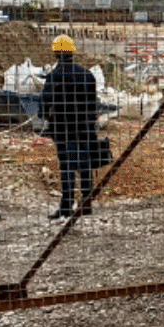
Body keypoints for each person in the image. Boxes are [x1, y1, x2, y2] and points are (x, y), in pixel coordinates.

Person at [41, 34, 107, 220]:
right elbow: (94, 104)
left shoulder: (54, 76)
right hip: (85, 128)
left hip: (64, 130)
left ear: (56, 54)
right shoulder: (87, 75)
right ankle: (86, 205)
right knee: (85, 166)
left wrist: (46, 117)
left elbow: (45, 103)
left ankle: (66, 207)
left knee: (67, 167)